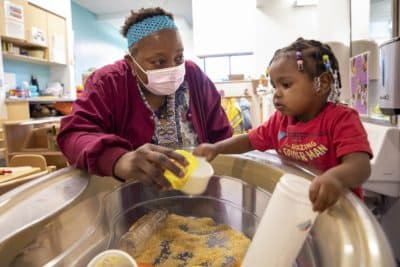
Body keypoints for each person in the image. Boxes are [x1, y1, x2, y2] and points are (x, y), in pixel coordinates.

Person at [57, 7, 232, 189]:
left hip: (198, 191)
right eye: (159, 61)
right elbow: (73, 135)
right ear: (131, 61)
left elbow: (222, 136)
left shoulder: (193, 76)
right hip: (135, 200)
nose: (172, 68)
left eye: (178, 58)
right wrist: (120, 159)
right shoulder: (108, 83)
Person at [194, 38, 372, 212]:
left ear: (322, 83)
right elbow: (249, 140)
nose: (276, 94)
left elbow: (361, 166)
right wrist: (216, 148)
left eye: (286, 85)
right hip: (300, 206)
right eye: (274, 86)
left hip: (338, 210)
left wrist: (336, 178)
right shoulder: (280, 121)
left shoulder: (341, 119)